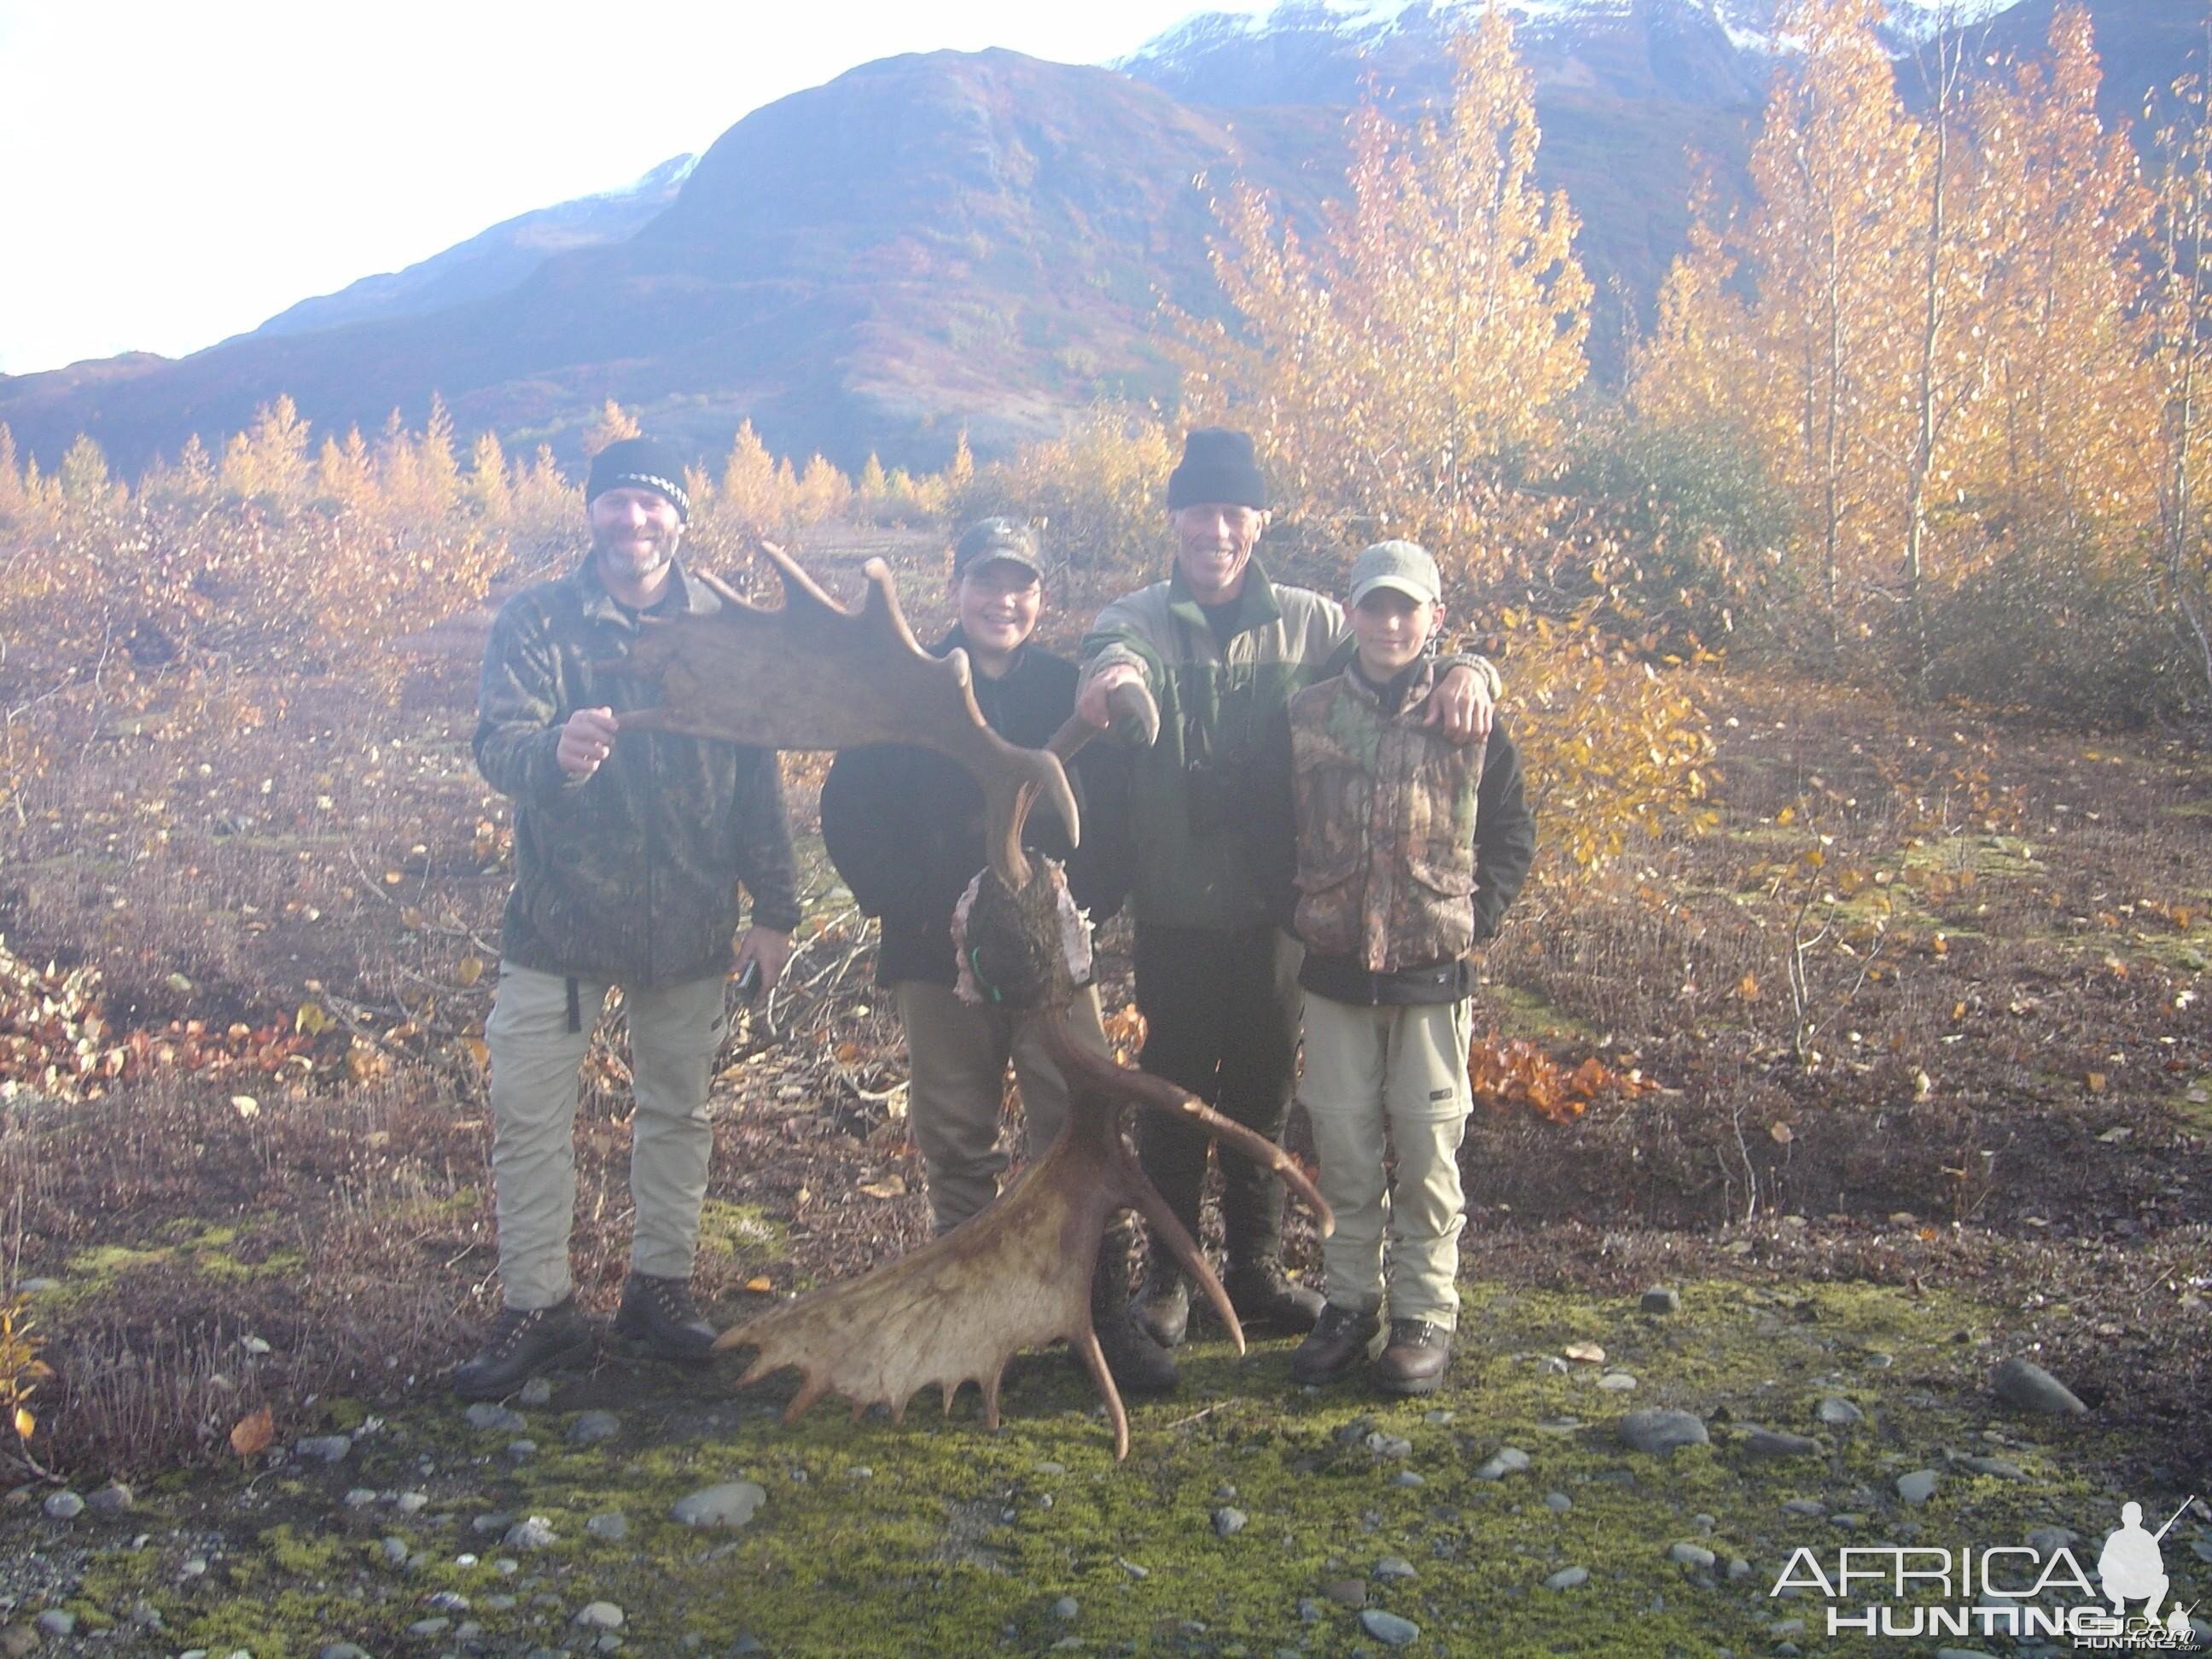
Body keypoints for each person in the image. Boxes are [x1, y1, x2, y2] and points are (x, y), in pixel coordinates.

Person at [1074, 429, 1498, 1381]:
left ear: (1258, 523)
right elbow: (1106, 654)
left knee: (1265, 1085)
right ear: (1175, 521)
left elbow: (1406, 650)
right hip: (1176, 903)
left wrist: (1476, 669)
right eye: (1199, 513)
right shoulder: (1137, 616)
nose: (1216, 531)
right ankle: (1172, 1282)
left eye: (1234, 514)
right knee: (1173, 1088)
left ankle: (1256, 1270)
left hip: (1286, 911)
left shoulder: (1313, 624)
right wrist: (1114, 682)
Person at [457, 435, 800, 1400]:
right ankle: (539, 1307)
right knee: (529, 1118)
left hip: (692, 920)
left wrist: (775, 910)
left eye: (652, 504)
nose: (634, 520)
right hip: (557, 926)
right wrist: (550, 755)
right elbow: (497, 743)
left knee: (678, 1113)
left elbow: (757, 778)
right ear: (591, 514)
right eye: (616, 502)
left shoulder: (725, 629)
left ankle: (660, 1290)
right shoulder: (537, 622)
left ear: (681, 520)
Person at [820, 517, 1171, 1391]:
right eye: (985, 582)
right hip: (935, 956)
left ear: (1040, 597)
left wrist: (1074, 902)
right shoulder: (908, 689)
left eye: (1019, 585)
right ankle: (969, 1319)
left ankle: (1093, 1304)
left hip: (1053, 956)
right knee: (956, 1139)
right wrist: (931, 912)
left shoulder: (1069, 690)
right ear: (956, 588)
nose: (1002, 600)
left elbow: (1119, 814)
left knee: (1080, 1123)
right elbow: (851, 819)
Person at [1254, 540, 1534, 1395]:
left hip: (1431, 983)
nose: (1388, 623)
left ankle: (1423, 1316)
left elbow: (1512, 836)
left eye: (1406, 608)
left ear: (1434, 619)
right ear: (1350, 615)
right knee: (1341, 1151)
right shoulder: (1305, 716)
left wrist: (1467, 920)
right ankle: (1351, 1305)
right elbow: (1267, 830)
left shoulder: (1470, 716)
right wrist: (1299, 913)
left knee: (1427, 1153)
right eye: (1373, 606)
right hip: (1336, 975)